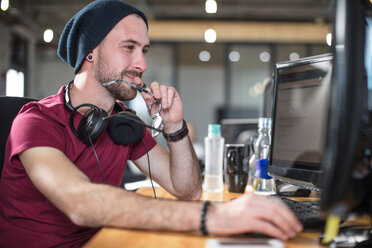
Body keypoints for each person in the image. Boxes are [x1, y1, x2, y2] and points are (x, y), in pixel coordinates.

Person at [0, 0, 302, 247]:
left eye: (143, 50)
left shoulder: (121, 124)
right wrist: (212, 217)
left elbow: (186, 191)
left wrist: (175, 127)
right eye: (128, 47)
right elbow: (79, 203)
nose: (142, 64)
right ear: (90, 53)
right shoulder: (35, 122)